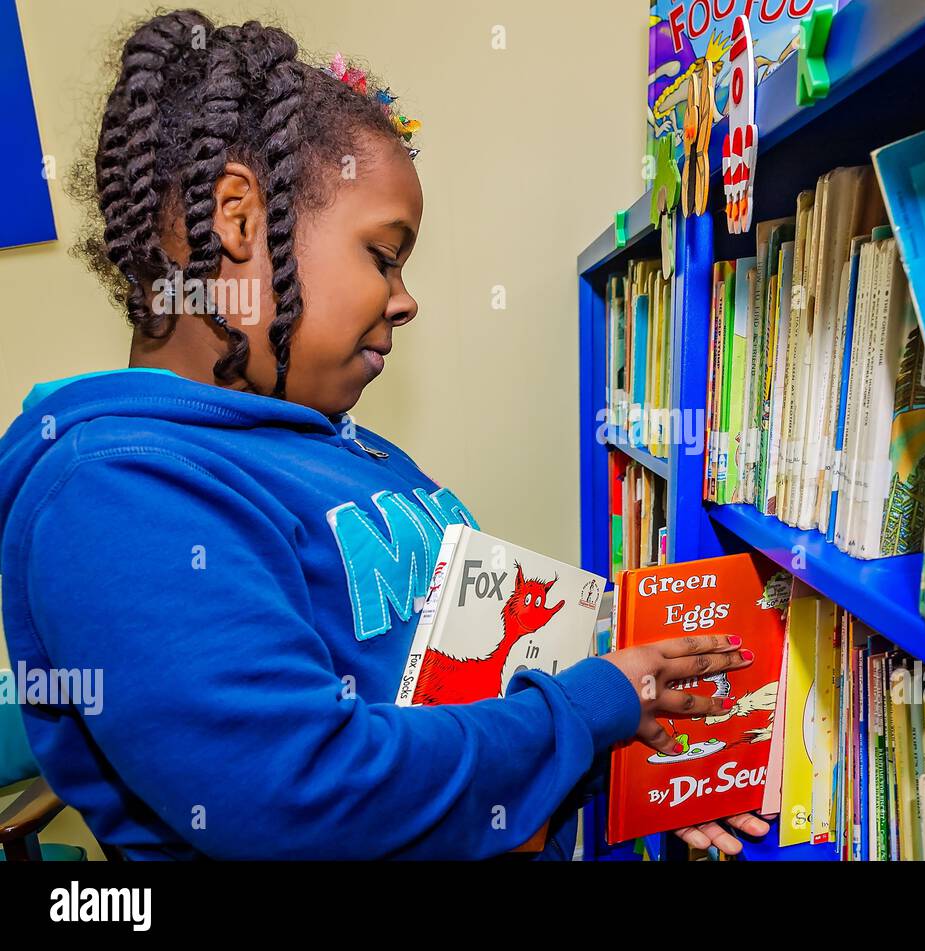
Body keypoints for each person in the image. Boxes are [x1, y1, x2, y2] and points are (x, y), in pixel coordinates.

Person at [0, 9, 768, 860]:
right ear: (236, 218)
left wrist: (600, 760)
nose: (406, 299)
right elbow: (303, 793)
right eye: (384, 254)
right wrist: (588, 710)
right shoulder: (114, 491)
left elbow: (453, 710)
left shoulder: (343, 447)